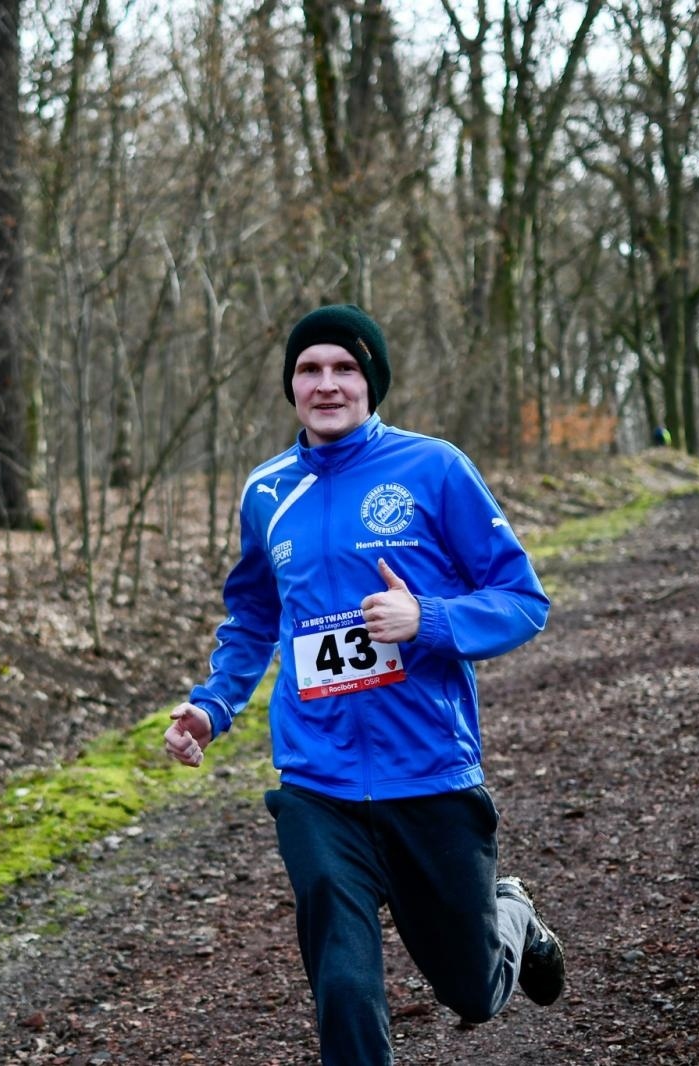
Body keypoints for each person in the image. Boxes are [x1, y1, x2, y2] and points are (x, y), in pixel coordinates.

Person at [163, 304, 564, 1065]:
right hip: (317, 781)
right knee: (345, 989)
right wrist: (212, 707)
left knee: (472, 990)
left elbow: (522, 600)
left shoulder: (435, 469)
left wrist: (428, 618)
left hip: (429, 774)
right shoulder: (266, 491)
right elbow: (253, 618)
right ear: (290, 386)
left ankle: (512, 912)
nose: (326, 384)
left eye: (344, 368)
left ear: (371, 381)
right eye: (309, 369)